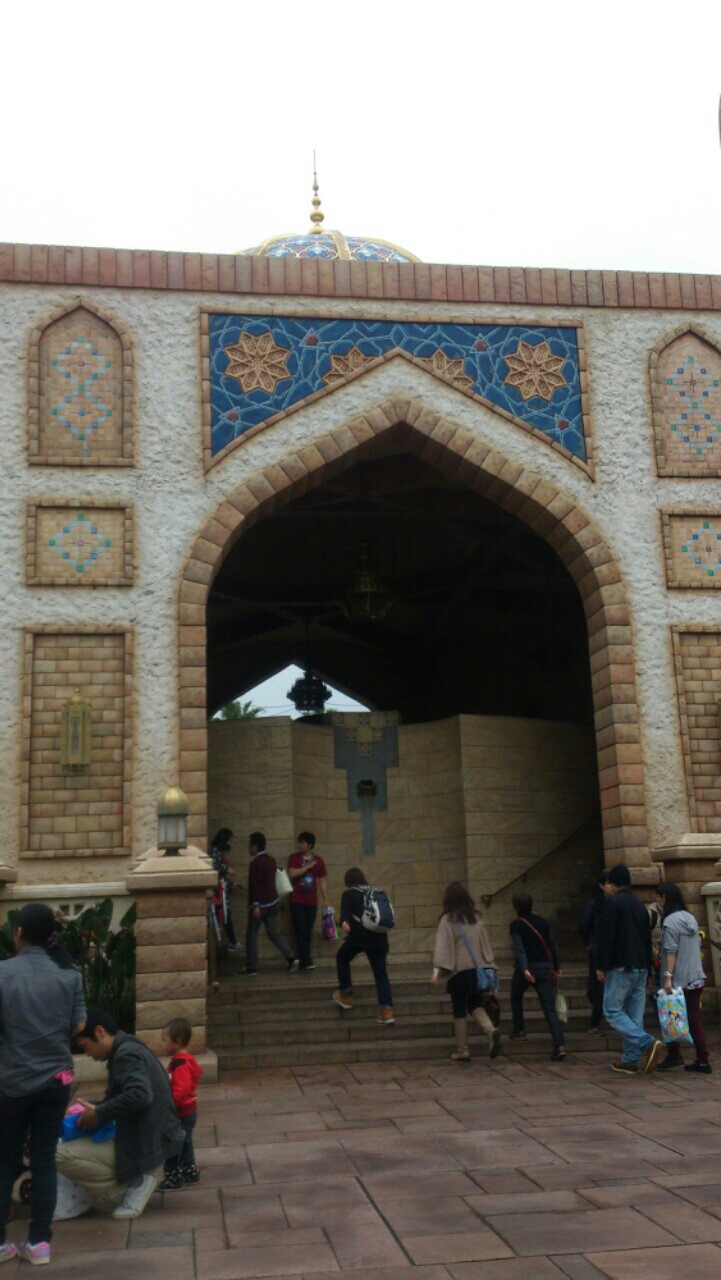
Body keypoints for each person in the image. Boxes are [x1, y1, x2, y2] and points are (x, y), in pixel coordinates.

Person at [0, 903, 86, 1267]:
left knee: (4, 1160)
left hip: (12, 1082)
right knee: (44, 1160)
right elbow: (78, 1027)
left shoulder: (3, 973)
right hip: (56, 1080)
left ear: (19, 932)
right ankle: (38, 1243)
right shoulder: (69, 975)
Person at [57, 1008, 183, 1219]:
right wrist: (94, 1109)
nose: (87, 1053)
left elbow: (140, 1095)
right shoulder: (125, 1048)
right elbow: (125, 1097)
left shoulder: (126, 1054)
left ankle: (130, 1188)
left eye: (85, 1046)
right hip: (152, 1138)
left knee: (58, 1154)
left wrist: (100, 1113)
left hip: (149, 1144)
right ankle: (135, 1179)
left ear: (100, 1032)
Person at [596, 864, 663, 1076]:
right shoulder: (639, 905)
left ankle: (646, 1042)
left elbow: (607, 938)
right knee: (635, 1014)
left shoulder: (613, 903)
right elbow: (646, 939)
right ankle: (630, 1059)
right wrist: (650, 970)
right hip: (641, 966)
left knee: (612, 1010)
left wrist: (601, 965)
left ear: (613, 882)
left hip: (620, 965)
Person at [431, 882, 502, 1062]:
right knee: (475, 1003)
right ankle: (490, 1030)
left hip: (459, 971)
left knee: (459, 1008)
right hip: (476, 971)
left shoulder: (448, 919)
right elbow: (485, 945)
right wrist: (490, 965)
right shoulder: (475, 918)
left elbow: (443, 948)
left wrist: (437, 971)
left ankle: (463, 1050)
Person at [654, 883, 711, 1074]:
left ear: (665, 898)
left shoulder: (670, 922)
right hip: (696, 977)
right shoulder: (689, 918)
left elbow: (671, 951)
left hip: (679, 979)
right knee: (692, 1018)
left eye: (659, 898)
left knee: (670, 1015)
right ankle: (699, 1058)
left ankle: (683, 1056)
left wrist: (667, 977)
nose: (658, 901)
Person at [509, 891, 567, 1061]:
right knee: (549, 1008)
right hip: (544, 968)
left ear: (515, 907)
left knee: (515, 995)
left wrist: (525, 969)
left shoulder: (516, 925)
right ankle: (559, 1044)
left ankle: (519, 1030)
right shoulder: (542, 922)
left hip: (526, 969)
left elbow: (519, 948)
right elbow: (553, 945)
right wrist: (557, 966)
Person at [333, 868, 394, 1024]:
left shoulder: (348, 894)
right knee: (380, 974)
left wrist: (343, 923)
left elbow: (344, 916)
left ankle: (346, 994)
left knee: (342, 956)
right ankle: (386, 1011)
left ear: (348, 881)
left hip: (360, 936)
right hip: (379, 938)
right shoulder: (374, 892)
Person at [243, 832, 298, 976]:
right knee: (273, 932)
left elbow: (255, 885)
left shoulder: (255, 863)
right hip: (272, 902)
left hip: (259, 905)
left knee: (252, 934)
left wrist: (255, 905)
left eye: (249, 845)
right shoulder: (271, 860)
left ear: (255, 846)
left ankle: (251, 966)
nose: (248, 848)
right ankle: (290, 957)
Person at [158, 1018, 203, 1190]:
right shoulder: (184, 1060)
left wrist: (170, 1104)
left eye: (165, 1040)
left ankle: (173, 1177)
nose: (162, 1044)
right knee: (185, 1141)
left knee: (173, 1142)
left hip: (181, 1112)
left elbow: (182, 1088)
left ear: (176, 1042)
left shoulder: (180, 1063)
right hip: (186, 1112)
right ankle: (189, 1171)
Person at [287, 831, 328, 971]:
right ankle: (306, 960)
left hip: (311, 901)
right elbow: (292, 873)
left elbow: (322, 881)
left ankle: (304, 959)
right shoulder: (294, 858)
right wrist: (307, 867)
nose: (300, 845)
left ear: (310, 845)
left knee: (307, 931)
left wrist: (326, 899)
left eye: (303, 843)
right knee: (300, 929)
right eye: (299, 842)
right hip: (297, 900)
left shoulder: (319, 861)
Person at [579, 870, 612, 1033]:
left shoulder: (614, 902)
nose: (611, 887)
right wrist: (589, 944)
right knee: (599, 988)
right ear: (601, 885)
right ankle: (595, 1023)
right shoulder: (594, 904)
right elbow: (584, 925)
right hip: (598, 950)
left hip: (611, 950)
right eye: (608, 883)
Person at [209, 828, 243, 954]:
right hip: (218, 892)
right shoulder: (215, 851)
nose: (230, 843)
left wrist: (231, 883)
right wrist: (228, 869)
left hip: (222, 889)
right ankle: (232, 942)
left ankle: (231, 941)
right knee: (224, 915)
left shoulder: (219, 852)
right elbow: (214, 866)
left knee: (225, 915)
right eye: (229, 840)